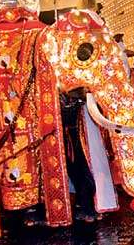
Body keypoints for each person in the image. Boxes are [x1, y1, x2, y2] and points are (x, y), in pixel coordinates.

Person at [61, 89, 98, 222]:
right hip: (73, 139)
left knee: (82, 173)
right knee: (79, 174)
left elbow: (66, 116)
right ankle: (86, 207)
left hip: (77, 140)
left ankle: (88, 209)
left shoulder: (79, 102)